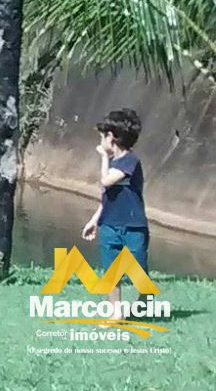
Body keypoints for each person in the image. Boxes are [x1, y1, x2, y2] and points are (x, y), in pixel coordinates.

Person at [81, 108, 149, 319]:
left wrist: (103, 158)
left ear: (111, 137)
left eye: (102, 136)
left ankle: (145, 302)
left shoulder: (130, 161)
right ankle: (115, 314)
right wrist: (95, 220)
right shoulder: (114, 164)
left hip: (133, 226)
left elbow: (106, 181)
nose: (100, 141)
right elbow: (107, 196)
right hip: (110, 224)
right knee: (111, 272)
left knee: (138, 272)